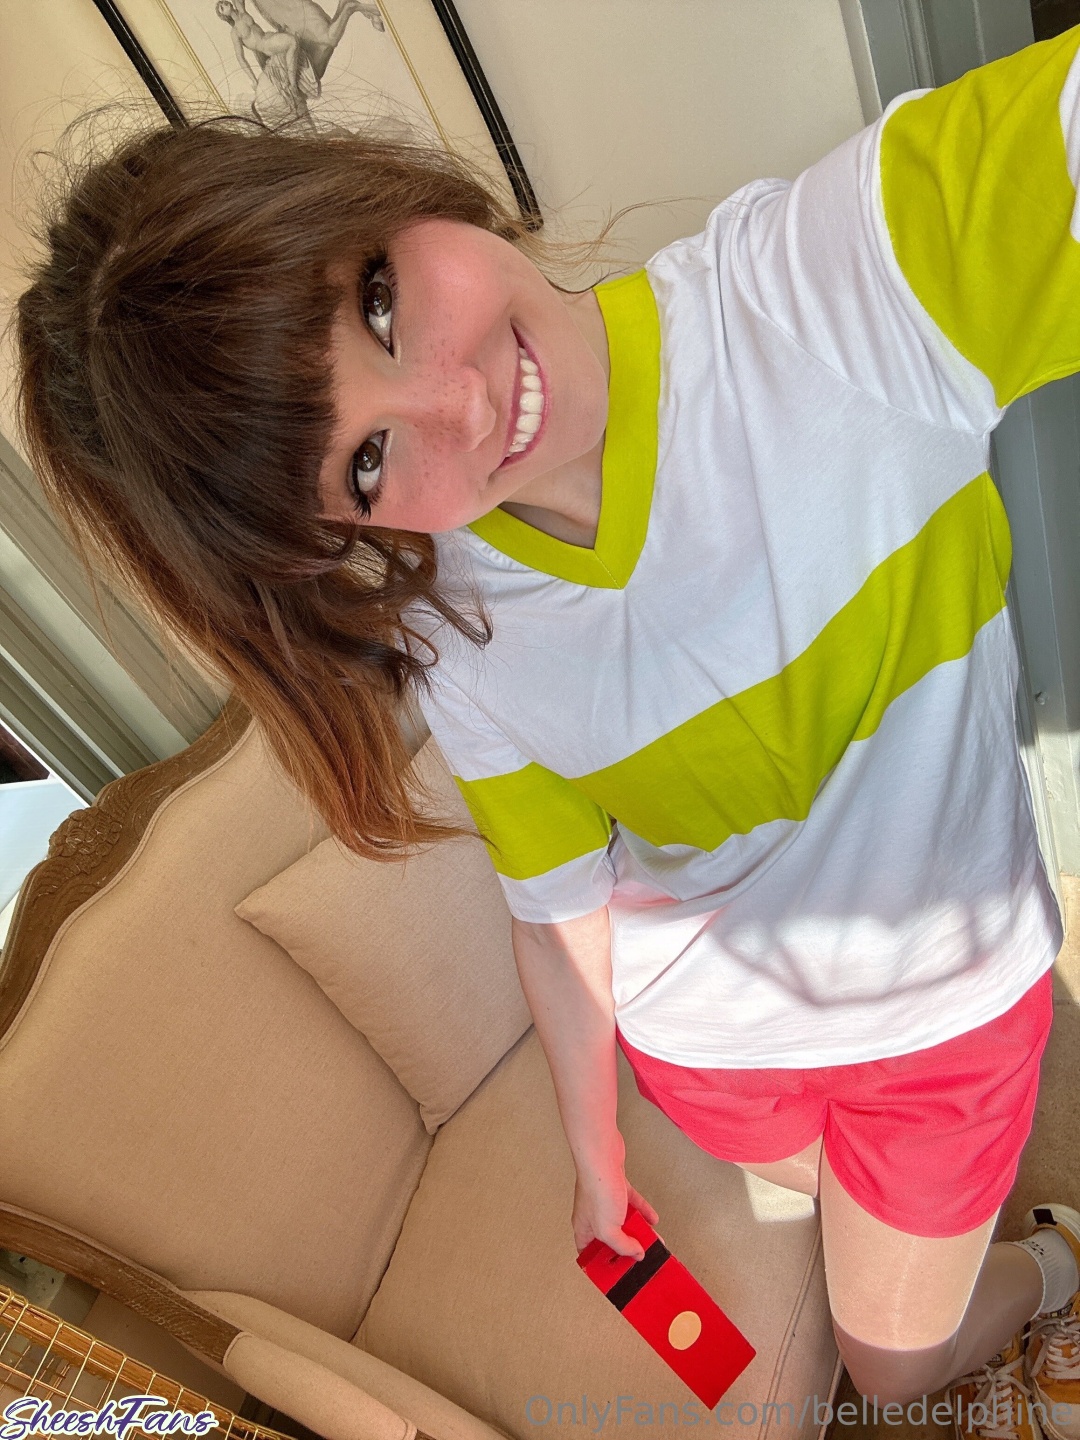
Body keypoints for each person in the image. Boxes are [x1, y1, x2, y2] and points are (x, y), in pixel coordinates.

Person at [14, 25, 1080, 1432]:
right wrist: (597, 1160)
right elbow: (559, 902)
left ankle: (1054, 1260)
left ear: (388, 194)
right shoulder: (455, 625)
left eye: (380, 303)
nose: (459, 401)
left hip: (936, 1011)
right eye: (368, 460)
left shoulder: (840, 293)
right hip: (708, 1059)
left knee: (891, 1364)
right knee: (854, 1228)